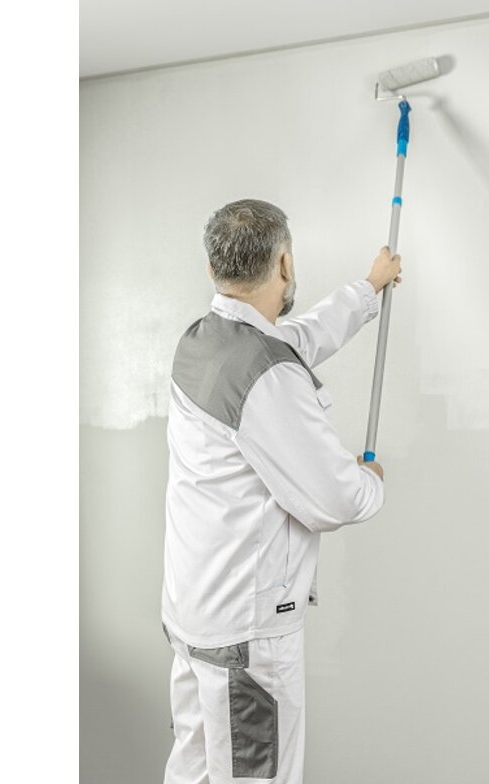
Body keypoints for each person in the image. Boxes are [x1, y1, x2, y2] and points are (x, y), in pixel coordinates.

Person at [160, 198, 403, 783]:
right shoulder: (267, 374)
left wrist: (368, 290)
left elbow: (296, 339)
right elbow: (334, 499)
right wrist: (367, 481)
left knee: (195, 771)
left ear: (213, 267)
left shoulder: (204, 342)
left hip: (196, 619)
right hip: (246, 638)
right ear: (286, 263)